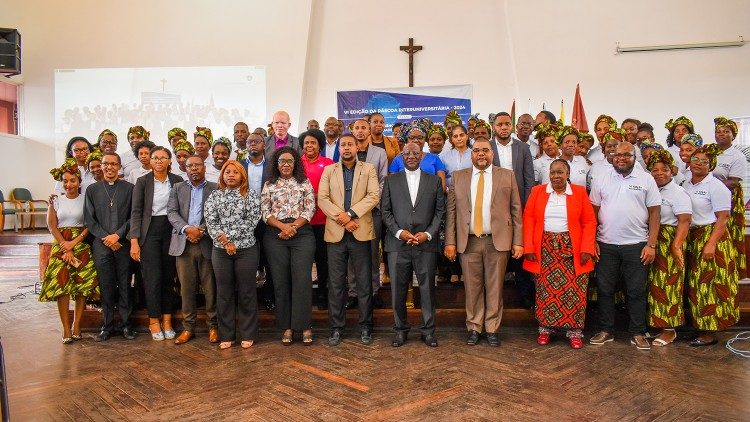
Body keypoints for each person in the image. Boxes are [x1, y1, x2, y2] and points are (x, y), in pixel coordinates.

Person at [445, 138, 523, 347]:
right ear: (471, 154)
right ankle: (473, 327)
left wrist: (518, 241)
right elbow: (451, 213)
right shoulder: (459, 177)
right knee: (472, 288)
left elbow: (516, 210)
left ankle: (492, 329)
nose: (481, 154)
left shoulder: (507, 175)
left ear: (492, 153)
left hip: (497, 241)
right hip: (468, 242)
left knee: (495, 287)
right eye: (477, 150)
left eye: (485, 150)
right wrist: (450, 242)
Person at [588, 141, 661, 350]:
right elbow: (593, 211)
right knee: (605, 289)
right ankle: (605, 330)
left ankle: (637, 332)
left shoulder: (646, 179)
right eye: (617, 154)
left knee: (636, 291)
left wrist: (652, 245)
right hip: (606, 244)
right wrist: (592, 240)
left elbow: (655, 213)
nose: (620, 158)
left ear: (634, 157)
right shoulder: (601, 178)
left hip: (636, 244)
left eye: (626, 155)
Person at [523, 159, 596, 348]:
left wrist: (587, 248)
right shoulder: (538, 192)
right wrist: (529, 248)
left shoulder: (579, 193)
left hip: (573, 249)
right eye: (553, 172)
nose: (556, 176)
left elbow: (589, 221)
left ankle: (574, 333)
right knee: (545, 291)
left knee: (575, 292)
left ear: (568, 174)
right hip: (545, 248)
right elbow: (529, 219)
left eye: (560, 172)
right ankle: (546, 330)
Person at [317, 134, 380, 346]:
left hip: (360, 231)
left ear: (357, 147)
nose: (346, 148)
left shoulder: (368, 169)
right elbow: (322, 199)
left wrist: (351, 214)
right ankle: (336, 328)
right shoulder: (329, 170)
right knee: (336, 284)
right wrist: (343, 219)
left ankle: (366, 327)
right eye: (343, 145)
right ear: (339, 148)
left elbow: (373, 196)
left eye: (350, 144)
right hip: (336, 234)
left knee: (363, 283)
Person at [381, 142, 445, 347]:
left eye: (415, 153)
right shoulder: (391, 181)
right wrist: (400, 232)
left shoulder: (434, 181)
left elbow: (439, 212)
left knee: (427, 290)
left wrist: (428, 233)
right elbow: (385, 211)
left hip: (425, 244)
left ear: (422, 156)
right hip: (398, 244)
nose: (410, 156)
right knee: (398, 291)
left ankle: (428, 331)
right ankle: (400, 330)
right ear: (401, 156)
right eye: (406, 153)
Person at [683, 145, 738, 347]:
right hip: (694, 236)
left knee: (710, 285)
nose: (698, 164)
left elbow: (723, 219)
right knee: (696, 285)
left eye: (704, 161)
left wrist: (711, 244)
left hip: (711, 237)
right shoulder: (686, 184)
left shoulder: (716, 187)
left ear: (711, 165)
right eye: (695, 159)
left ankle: (710, 331)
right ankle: (700, 326)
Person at [204, 160, 262, 350]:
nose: (230, 175)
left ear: (242, 176)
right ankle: (226, 334)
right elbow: (211, 221)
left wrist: (229, 238)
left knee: (247, 291)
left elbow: (252, 221)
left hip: (246, 249)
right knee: (224, 292)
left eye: (235, 172)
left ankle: (248, 333)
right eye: (227, 172)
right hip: (220, 251)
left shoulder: (251, 196)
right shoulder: (214, 196)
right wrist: (225, 242)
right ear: (222, 175)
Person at [261, 147, 317, 345]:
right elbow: (265, 211)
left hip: (302, 234)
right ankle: (286, 327)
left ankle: (304, 326)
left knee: (302, 280)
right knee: (281, 281)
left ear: (296, 164)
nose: (285, 164)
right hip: (275, 234)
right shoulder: (269, 184)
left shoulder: (304, 183)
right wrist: (283, 227)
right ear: (276, 164)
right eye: (282, 161)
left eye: (289, 161)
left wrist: (293, 226)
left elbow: (310, 208)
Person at [40, 159, 99, 343]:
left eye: (72, 180)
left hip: (80, 242)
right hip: (61, 244)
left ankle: (77, 325)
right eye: (65, 181)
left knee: (81, 287)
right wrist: (65, 245)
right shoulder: (55, 200)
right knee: (62, 286)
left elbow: (90, 224)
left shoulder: (86, 198)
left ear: (79, 181)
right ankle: (65, 327)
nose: (69, 184)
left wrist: (74, 243)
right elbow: (52, 225)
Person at [128, 146, 183, 341]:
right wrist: (134, 241)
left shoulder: (177, 181)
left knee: (169, 277)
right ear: (150, 161)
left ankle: (167, 320)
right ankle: (154, 321)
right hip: (149, 232)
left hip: (171, 231)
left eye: (163, 157)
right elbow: (135, 213)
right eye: (155, 158)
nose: (159, 161)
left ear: (170, 161)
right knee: (152, 278)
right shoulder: (143, 182)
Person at [167, 155, 219, 345]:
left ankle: (213, 326)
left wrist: (200, 231)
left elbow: (217, 214)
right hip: (184, 244)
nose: (194, 169)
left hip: (206, 243)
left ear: (204, 167)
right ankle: (189, 328)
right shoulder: (177, 188)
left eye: (198, 165)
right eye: (190, 166)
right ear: (185, 169)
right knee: (186, 289)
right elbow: (172, 212)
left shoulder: (215, 188)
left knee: (211, 288)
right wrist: (187, 229)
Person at [84, 152, 135, 342]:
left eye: (114, 164)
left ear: (120, 166)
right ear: (101, 166)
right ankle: (107, 326)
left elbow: (133, 216)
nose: (109, 167)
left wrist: (117, 235)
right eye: (106, 164)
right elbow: (89, 220)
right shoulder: (92, 190)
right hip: (102, 245)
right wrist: (107, 237)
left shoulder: (130, 188)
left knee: (124, 285)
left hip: (123, 244)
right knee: (106, 287)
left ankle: (126, 325)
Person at [645, 150, 692, 346]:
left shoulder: (678, 193)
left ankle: (670, 329)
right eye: (655, 170)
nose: (659, 173)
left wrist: (676, 246)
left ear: (671, 171)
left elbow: (685, 221)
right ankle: (657, 324)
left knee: (669, 283)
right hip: (652, 237)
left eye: (664, 169)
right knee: (654, 285)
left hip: (670, 239)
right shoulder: (651, 189)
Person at [491, 112, 535, 309]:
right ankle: (496, 298)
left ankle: (525, 296)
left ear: (512, 126)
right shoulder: (487, 147)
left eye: (507, 124)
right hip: (495, 207)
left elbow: (528, 179)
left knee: (520, 250)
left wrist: (526, 207)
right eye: (500, 124)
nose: (504, 127)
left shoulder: (523, 148)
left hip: (518, 206)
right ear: (494, 127)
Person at [352, 119, 388, 306]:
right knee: (352, 253)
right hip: (350, 212)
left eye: (363, 127)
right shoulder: (347, 150)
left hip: (373, 209)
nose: (360, 131)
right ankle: (352, 292)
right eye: (356, 128)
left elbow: (383, 180)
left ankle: (373, 291)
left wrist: (367, 202)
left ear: (369, 130)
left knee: (373, 252)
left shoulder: (380, 153)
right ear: (352, 130)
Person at [300, 129, 335, 309]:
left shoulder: (329, 163)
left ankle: (323, 294)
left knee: (323, 260)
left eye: (313, 142)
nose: (309, 146)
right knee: (304, 261)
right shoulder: (297, 163)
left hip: (324, 220)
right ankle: (305, 296)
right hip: (302, 222)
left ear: (319, 145)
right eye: (306, 143)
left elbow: (334, 189)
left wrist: (318, 196)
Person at [244, 132, 275, 311]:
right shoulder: (239, 166)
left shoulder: (272, 166)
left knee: (270, 260)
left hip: (269, 219)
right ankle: (250, 300)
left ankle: (270, 296)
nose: (253, 144)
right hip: (245, 221)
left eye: (257, 141)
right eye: (250, 142)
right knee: (249, 261)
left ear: (264, 145)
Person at [713, 117, 747, 279]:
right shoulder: (710, 151)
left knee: (727, 234)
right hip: (710, 200)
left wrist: (709, 186)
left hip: (729, 199)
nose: (721, 134)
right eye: (718, 132)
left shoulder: (737, 156)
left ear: (733, 135)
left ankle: (731, 272)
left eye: (726, 132)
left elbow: (733, 182)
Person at [389, 120, 447, 191]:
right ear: (406, 140)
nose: (416, 140)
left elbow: (442, 187)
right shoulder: (397, 160)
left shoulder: (434, 158)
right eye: (411, 138)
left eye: (420, 138)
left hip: (430, 199)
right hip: (403, 200)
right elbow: (392, 186)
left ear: (425, 139)